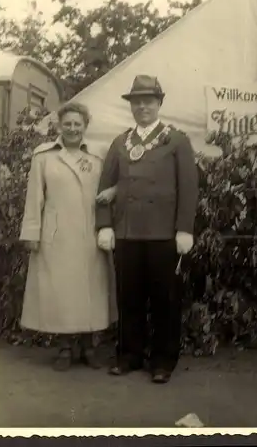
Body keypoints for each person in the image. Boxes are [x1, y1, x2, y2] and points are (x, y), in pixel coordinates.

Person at [95, 75, 198, 384]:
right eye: (136, 102)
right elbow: (104, 187)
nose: (142, 106)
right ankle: (129, 355)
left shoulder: (177, 140)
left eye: (148, 101)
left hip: (164, 233)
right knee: (129, 298)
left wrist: (184, 229)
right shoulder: (120, 142)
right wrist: (104, 225)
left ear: (159, 103)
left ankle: (163, 361)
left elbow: (189, 188)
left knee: (165, 299)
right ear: (131, 106)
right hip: (127, 232)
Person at [19, 102, 117, 372]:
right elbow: (34, 198)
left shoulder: (98, 156)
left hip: (89, 233)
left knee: (89, 291)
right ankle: (63, 347)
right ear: (59, 126)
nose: (73, 129)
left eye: (78, 124)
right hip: (57, 234)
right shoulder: (44, 156)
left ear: (85, 126)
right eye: (68, 124)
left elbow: (111, 192)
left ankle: (88, 347)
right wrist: (32, 232)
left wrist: (108, 228)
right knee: (61, 291)